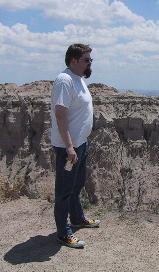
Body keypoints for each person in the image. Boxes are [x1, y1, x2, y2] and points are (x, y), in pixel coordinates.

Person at [50, 43, 100, 248]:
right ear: (73, 61)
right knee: (64, 191)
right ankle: (63, 232)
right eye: (86, 60)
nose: (90, 63)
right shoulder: (64, 80)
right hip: (68, 147)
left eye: (90, 60)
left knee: (77, 185)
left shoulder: (78, 79)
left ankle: (77, 217)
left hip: (81, 143)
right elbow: (60, 114)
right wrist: (69, 146)